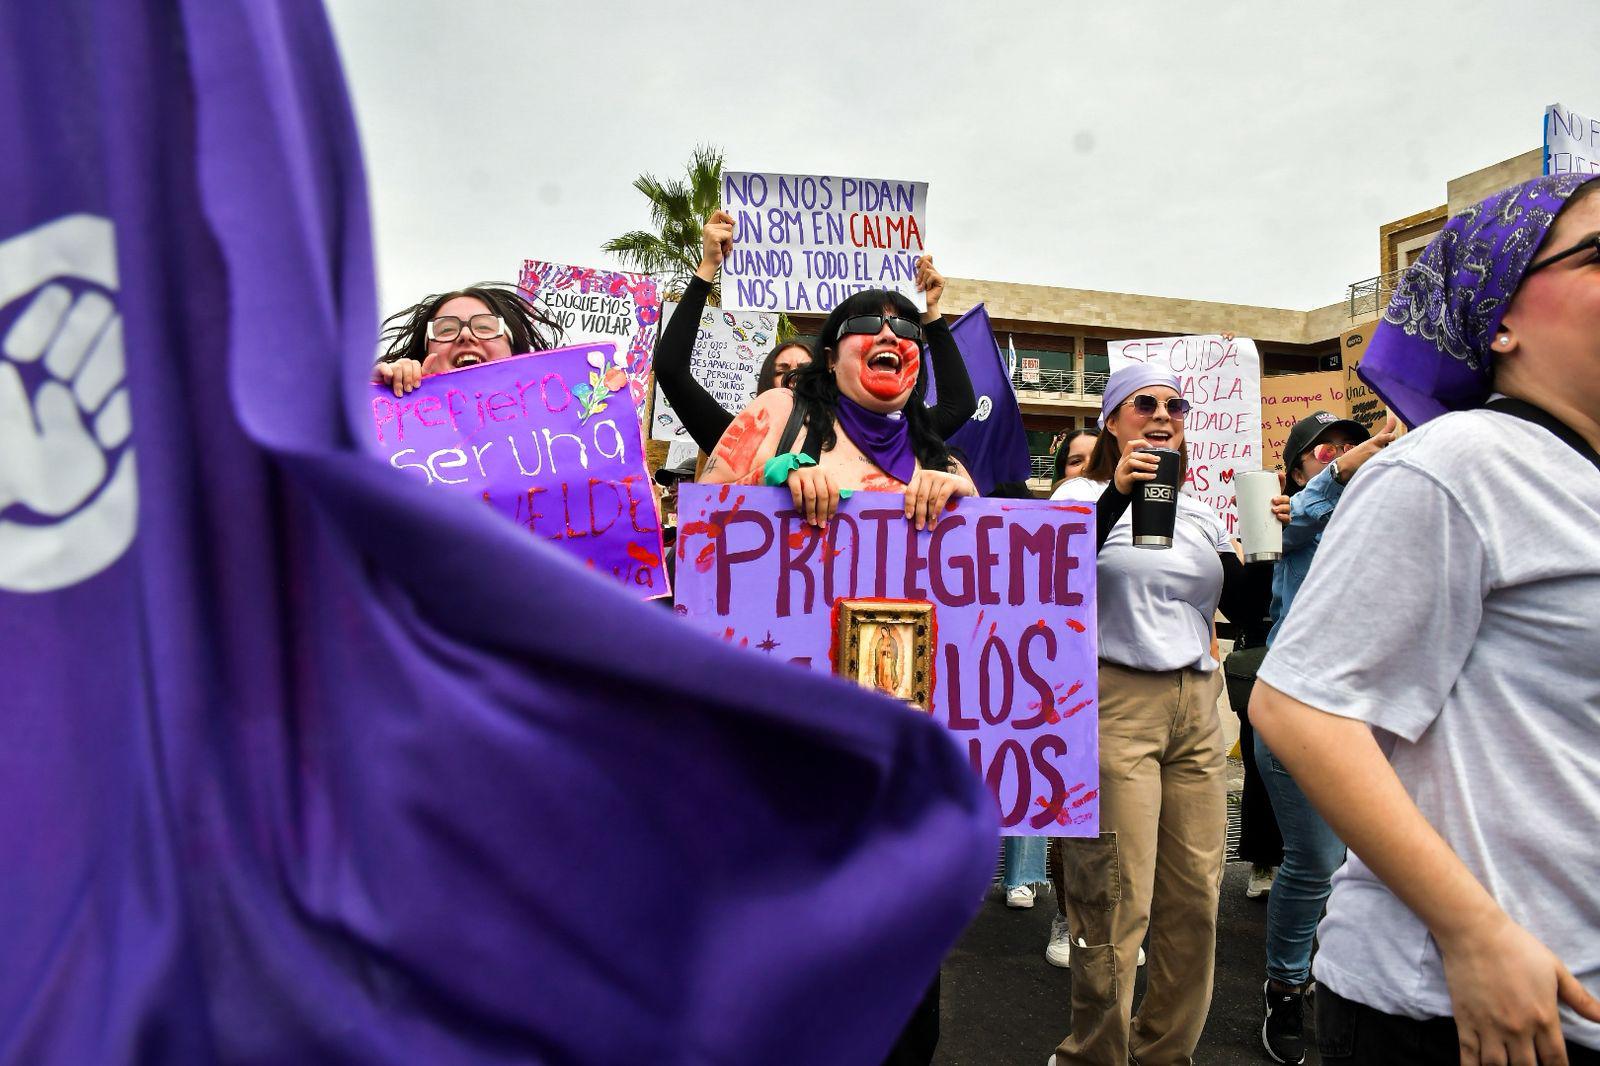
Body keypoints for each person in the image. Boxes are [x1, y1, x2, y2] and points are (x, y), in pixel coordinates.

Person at [1252, 172, 1600, 1065]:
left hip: (1575, 991)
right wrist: (1475, 933)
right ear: (1500, 318)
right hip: (1468, 1008)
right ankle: (1284, 982)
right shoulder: (1457, 464)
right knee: (1305, 863)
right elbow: (1299, 707)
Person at [1046, 362, 1273, 1066]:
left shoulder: (1200, 510)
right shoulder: (1080, 495)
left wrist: (1270, 539)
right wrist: (1118, 493)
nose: (1163, 415)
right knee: (1116, 898)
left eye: (1176, 406)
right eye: (1144, 403)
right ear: (1112, 420)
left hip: (1197, 704)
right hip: (1116, 699)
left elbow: (1246, 608)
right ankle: (1095, 1055)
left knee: (1196, 898)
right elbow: (1050, 576)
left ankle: (1165, 1052)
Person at [1253, 408, 1395, 1064]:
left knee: (1363, 863)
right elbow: (1302, 520)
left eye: (1349, 444)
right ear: (1294, 470)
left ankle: (1338, 978)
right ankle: (1285, 987)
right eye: (1324, 449)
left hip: (1372, 710)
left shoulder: (1379, 512)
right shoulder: (1282, 514)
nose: (1342, 454)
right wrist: (1344, 468)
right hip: (1300, 706)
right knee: (1313, 860)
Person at [655, 211, 976, 454]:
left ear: (827, 370)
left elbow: (958, 406)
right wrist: (708, 267)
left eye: (805, 369)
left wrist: (929, 311)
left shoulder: (889, 441)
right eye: (782, 371)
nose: (795, 379)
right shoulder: (750, 442)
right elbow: (670, 370)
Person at [698, 288, 978, 528]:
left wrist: (968, 506)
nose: (889, 336)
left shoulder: (939, 459)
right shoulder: (780, 411)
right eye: (866, 323)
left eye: (906, 328)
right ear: (831, 359)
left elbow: (988, 560)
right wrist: (770, 479)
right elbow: (698, 519)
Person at [372, 283, 563, 396]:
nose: (465, 335)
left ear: (514, 350)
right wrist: (372, 393)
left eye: (484, 327)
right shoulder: (395, 417)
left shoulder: (556, 417)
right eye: (446, 329)